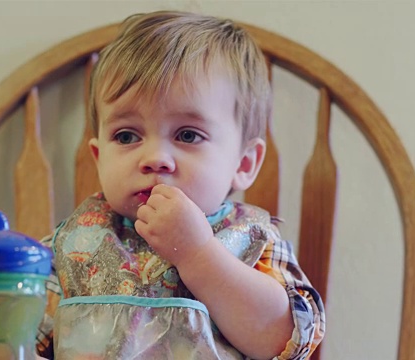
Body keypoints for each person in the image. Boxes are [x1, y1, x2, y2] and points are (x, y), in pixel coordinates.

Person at [36, 10, 325, 360]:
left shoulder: (254, 242)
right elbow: (19, 336)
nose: (155, 157)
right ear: (99, 158)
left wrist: (198, 253)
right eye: (126, 135)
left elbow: (282, 341)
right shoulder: (71, 243)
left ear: (244, 164)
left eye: (187, 134)